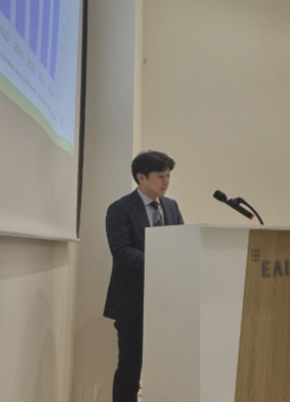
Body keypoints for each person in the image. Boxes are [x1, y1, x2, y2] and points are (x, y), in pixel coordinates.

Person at [103, 150, 184, 402]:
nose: (166, 181)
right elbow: (121, 251)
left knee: (169, 364)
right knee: (130, 367)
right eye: (160, 176)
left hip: (166, 300)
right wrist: (160, 263)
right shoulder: (120, 209)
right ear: (141, 177)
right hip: (133, 302)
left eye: (168, 175)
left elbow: (182, 243)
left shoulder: (171, 206)